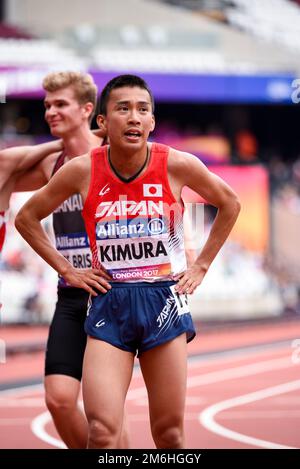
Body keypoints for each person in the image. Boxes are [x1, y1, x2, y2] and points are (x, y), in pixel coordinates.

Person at [15, 74, 241, 448]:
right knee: (102, 433)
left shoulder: (176, 164)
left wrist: (201, 265)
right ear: (102, 122)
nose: (134, 117)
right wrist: (67, 270)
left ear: (152, 121)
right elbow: (27, 217)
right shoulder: (83, 169)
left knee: (168, 434)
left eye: (143, 109)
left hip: (163, 303)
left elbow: (230, 202)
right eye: (123, 109)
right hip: (109, 302)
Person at [1, 71, 129, 448]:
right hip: (71, 293)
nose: (50, 112)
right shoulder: (50, 165)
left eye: (60, 104)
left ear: (88, 109)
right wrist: (59, 145)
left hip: (112, 294)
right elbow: (3, 164)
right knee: (58, 399)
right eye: (47, 105)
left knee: (103, 414)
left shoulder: (115, 157)